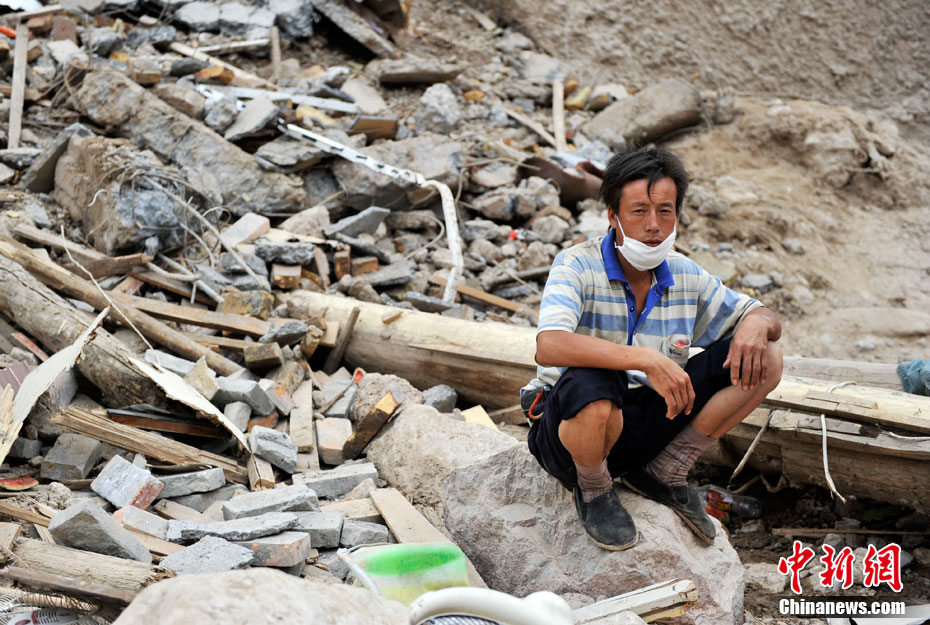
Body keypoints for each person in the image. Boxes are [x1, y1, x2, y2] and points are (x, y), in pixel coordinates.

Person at [520, 147, 783, 550]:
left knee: (767, 356)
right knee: (594, 383)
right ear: (613, 215)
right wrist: (645, 358)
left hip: (645, 424)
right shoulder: (577, 265)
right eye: (639, 211)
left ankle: (666, 469)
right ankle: (594, 489)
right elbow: (549, 345)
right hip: (571, 434)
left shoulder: (684, 274)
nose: (654, 226)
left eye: (665, 211)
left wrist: (756, 323)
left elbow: (763, 316)